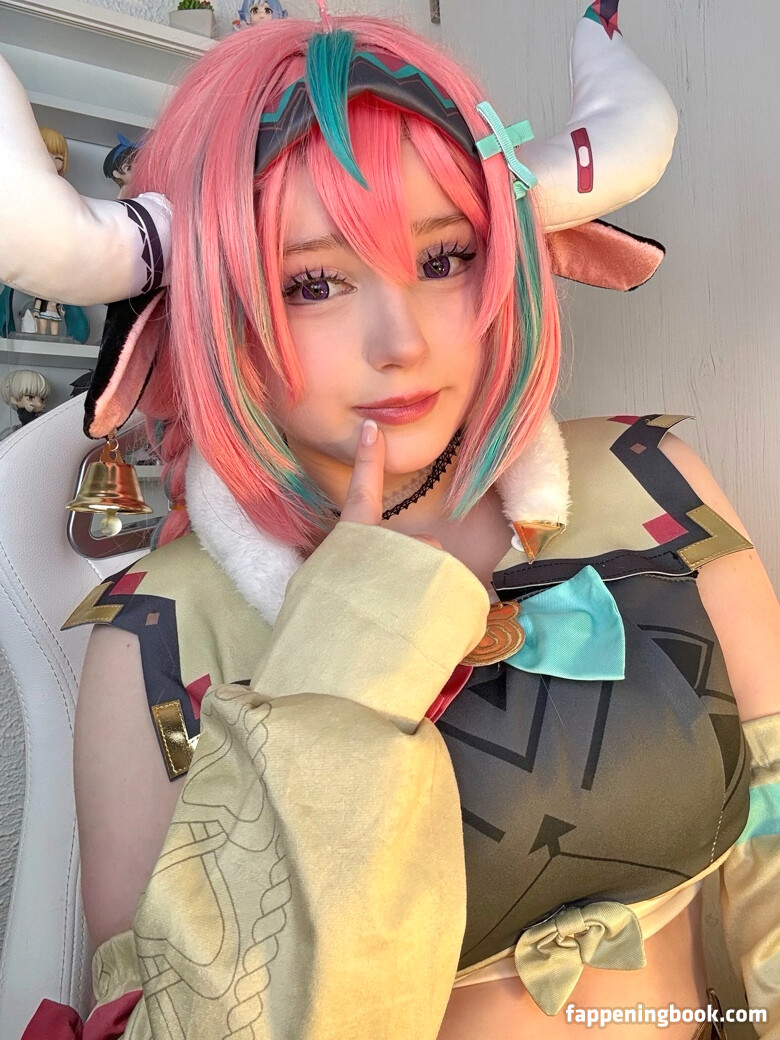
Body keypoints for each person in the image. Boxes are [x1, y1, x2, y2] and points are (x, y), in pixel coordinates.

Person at [3, 5, 778, 1040]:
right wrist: (341, 666)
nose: (400, 339)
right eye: (313, 282)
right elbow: (197, 1015)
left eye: (446, 257)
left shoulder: (651, 485)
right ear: (214, 311)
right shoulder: (154, 635)